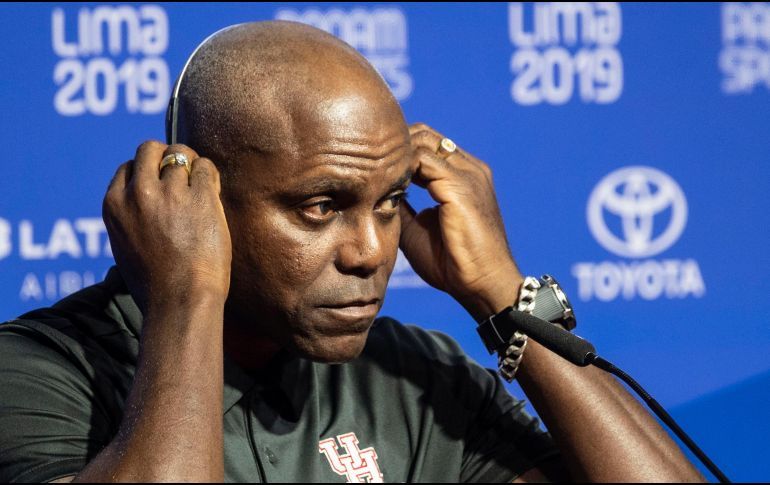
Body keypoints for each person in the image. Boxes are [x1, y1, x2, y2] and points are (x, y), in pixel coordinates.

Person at [0, 21, 704, 483]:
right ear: (198, 198)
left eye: (390, 202)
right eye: (321, 207)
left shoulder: (414, 377)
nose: (371, 252)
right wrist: (187, 295)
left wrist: (503, 294)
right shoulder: (40, 372)